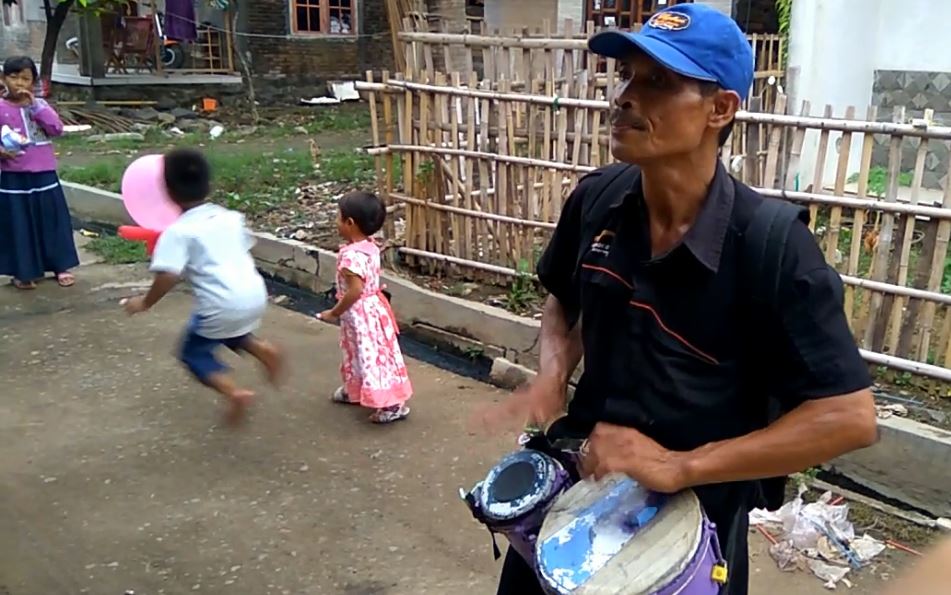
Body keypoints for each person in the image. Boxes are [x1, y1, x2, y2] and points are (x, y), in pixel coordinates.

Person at [473, 5, 879, 595]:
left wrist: (678, 466)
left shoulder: (771, 247)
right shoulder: (597, 200)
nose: (626, 97)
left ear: (720, 110)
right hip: (575, 503)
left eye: (658, 82)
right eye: (628, 76)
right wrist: (554, 371)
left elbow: (848, 417)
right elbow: (564, 297)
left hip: (686, 542)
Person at [123, 148, 284, 424]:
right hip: (254, 294)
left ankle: (233, 392)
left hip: (221, 305)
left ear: (167, 193)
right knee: (224, 327)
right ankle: (262, 349)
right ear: (209, 185)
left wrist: (144, 302)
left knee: (193, 352)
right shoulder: (229, 216)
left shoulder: (178, 232)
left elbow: (168, 276)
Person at [317, 191, 412, 424]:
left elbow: (355, 290)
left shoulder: (351, 257)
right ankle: (357, 389)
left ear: (350, 223)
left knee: (371, 355)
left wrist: (334, 312)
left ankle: (391, 404)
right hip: (371, 310)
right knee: (361, 352)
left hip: (362, 314)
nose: (336, 222)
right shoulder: (370, 246)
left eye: (339, 218)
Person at [0, 56, 79, 290]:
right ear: (4, 79)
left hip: (43, 172)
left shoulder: (39, 105)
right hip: (12, 174)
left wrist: (33, 106)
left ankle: (60, 265)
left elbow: (56, 129)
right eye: (13, 77)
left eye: (25, 78)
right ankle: (23, 271)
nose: (19, 83)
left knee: (52, 220)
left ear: (34, 82)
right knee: (18, 223)